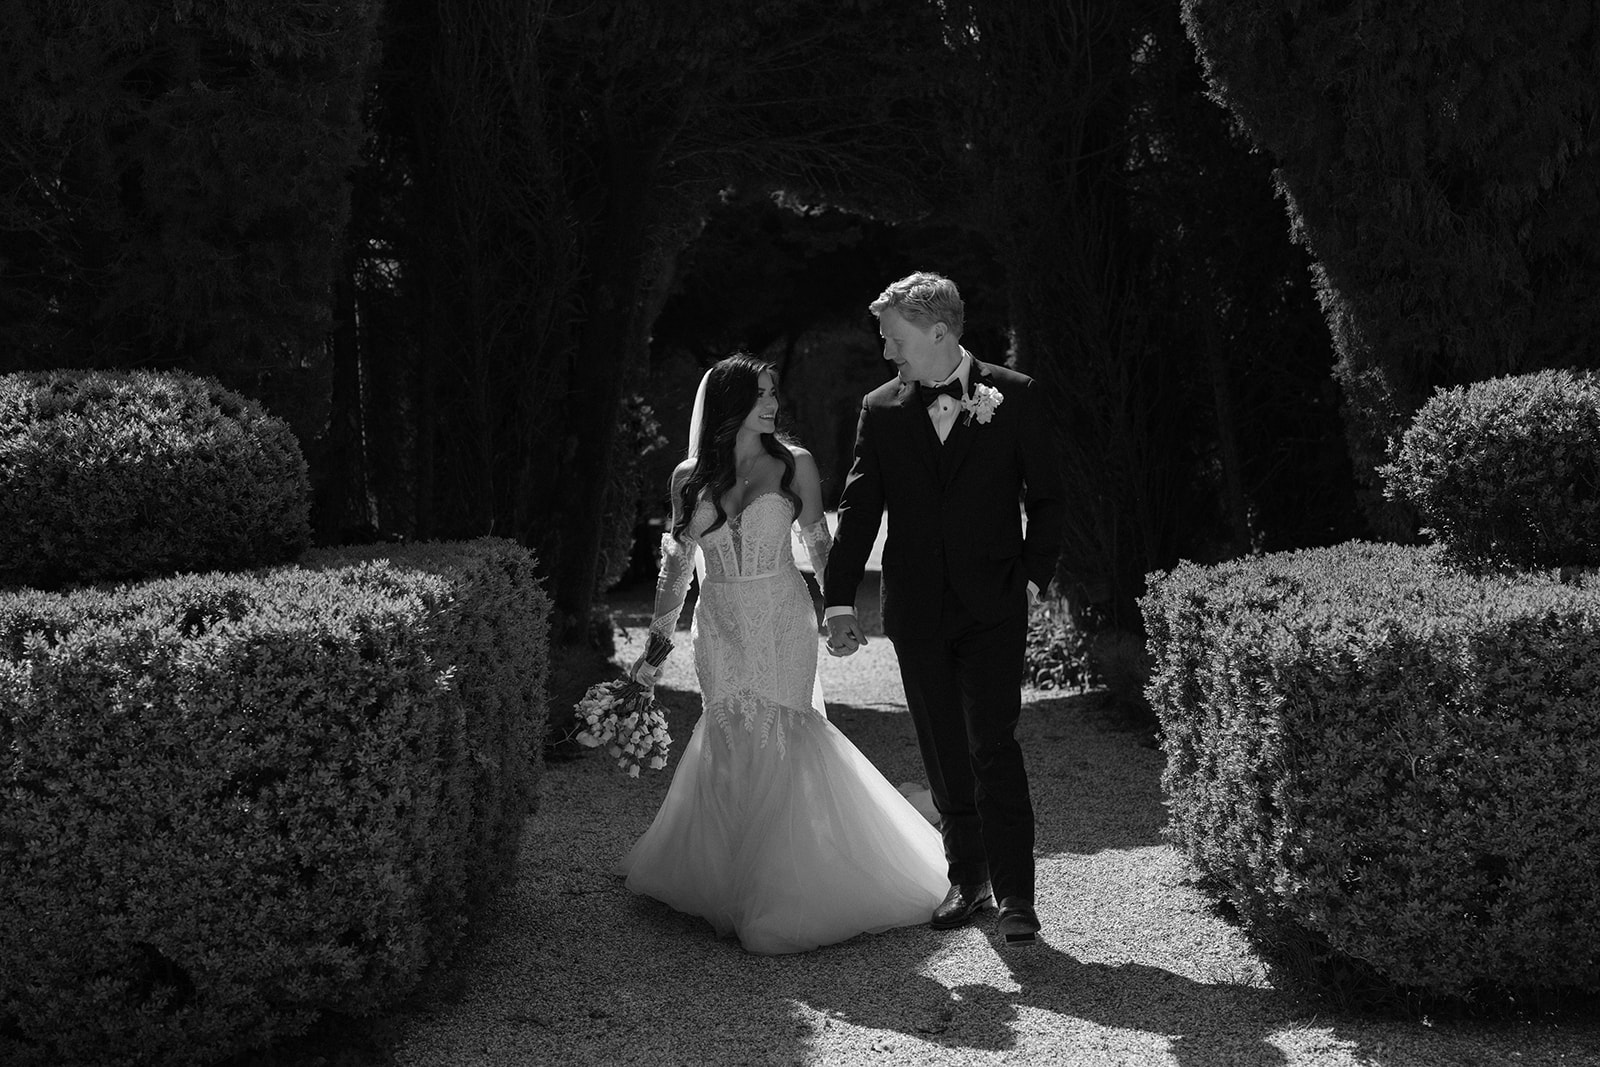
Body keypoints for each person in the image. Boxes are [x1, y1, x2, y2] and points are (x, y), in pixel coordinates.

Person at [616, 353, 947, 954]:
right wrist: (657, 649)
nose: (772, 404)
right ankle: (727, 880)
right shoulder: (688, 476)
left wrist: (840, 612)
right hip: (718, 621)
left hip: (783, 614)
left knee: (787, 725)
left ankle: (787, 889)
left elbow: (821, 545)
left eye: (774, 393)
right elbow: (677, 565)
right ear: (728, 404)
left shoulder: (795, 465)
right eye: (761, 394)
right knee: (728, 728)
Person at [822, 271, 1065, 947]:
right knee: (943, 751)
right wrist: (839, 598)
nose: (886, 353)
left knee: (994, 743)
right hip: (917, 606)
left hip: (994, 603)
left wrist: (1033, 580)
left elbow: (1049, 497)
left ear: (939, 332)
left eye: (893, 338)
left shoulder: (1013, 397)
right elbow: (860, 505)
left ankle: (1017, 895)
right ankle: (968, 877)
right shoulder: (882, 407)